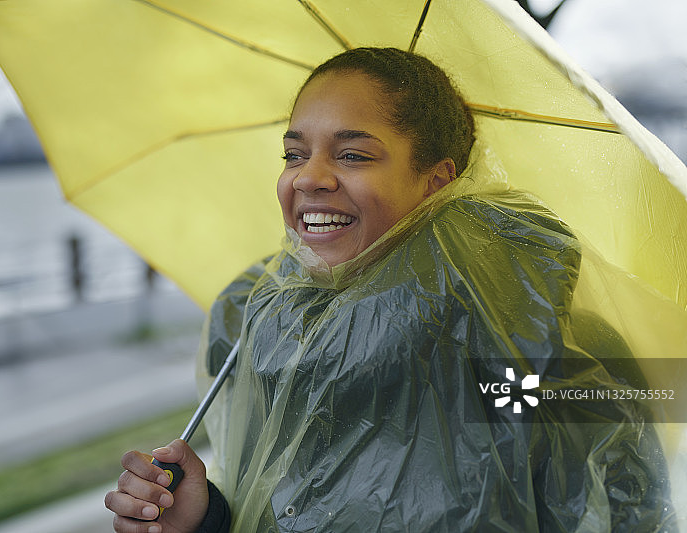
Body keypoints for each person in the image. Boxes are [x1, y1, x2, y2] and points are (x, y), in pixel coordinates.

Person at [105, 48, 675, 532]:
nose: (309, 177)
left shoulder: (524, 343)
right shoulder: (261, 331)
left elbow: (616, 506)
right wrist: (207, 520)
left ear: (437, 180)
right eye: (294, 154)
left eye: (353, 154)